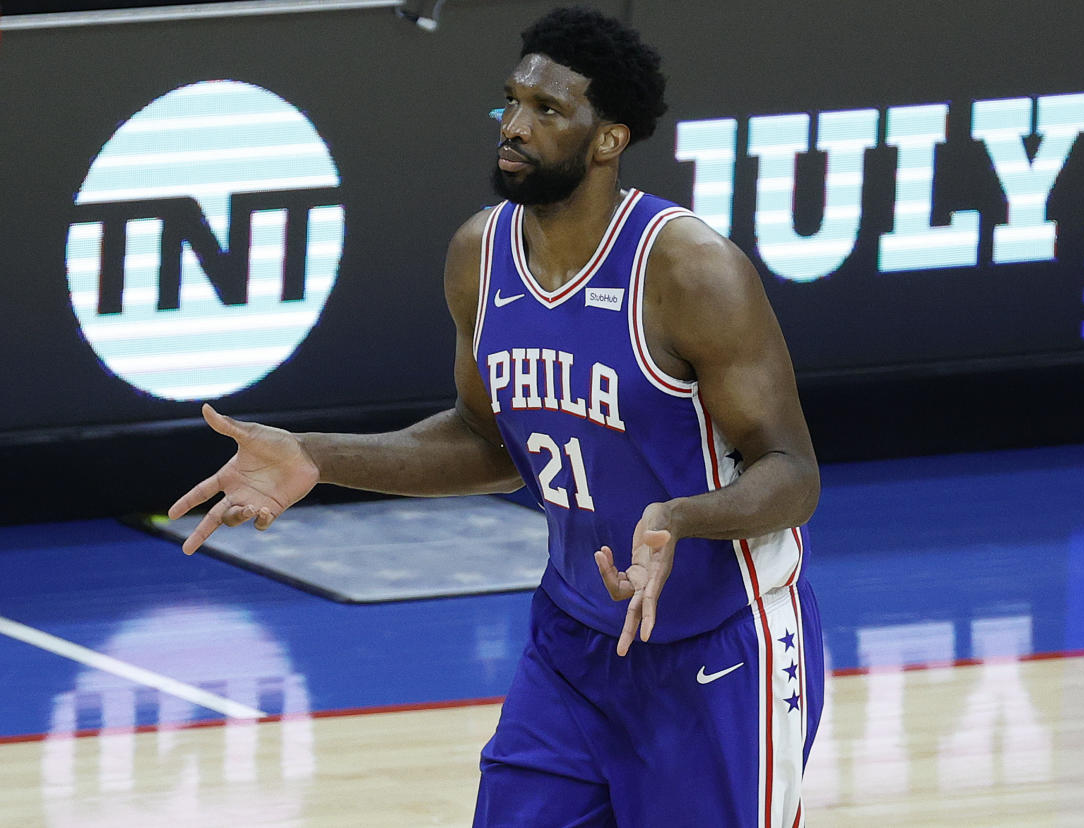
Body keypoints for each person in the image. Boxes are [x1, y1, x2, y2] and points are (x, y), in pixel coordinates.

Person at [169, 6, 824, 826]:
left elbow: (793, 475)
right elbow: (489, 443)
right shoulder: (480, 255)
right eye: (513, 101)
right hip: (572, 646)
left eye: (548, 112)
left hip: (717, 646)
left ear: (609, 139)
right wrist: (316, 456)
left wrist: (683, 518)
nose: (514, 126)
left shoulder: (691, 272)